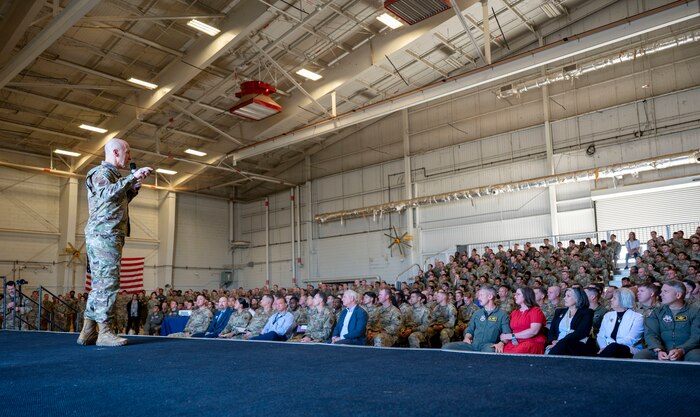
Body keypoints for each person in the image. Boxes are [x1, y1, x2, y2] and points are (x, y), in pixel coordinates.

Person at [77, 138, 153, 347]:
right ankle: (105, 333)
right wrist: (131, 177)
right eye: (127, 152)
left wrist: (132, 189)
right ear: (116, 152)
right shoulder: (101, 173)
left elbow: (115, 201)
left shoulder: (114, 176)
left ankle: (88, 331)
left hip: (108, 234)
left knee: (100, 284)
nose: (130, 157)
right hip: (104, 235)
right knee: (108, 283)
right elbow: (106, 196)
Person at [633, 280, 700, 362]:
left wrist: (682, 350)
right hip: (663, 349)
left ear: (678, 295)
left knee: (696, 357)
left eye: (665, 291)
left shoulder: (695, 311)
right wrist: (658, 350)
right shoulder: (657, 312)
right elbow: (651, 333)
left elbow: (696, 336)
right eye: (661, 291)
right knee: (640, 357)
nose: (661, 294)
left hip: (688, 350)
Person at [442, 286, 511, 353]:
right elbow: (470, 329)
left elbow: (506, 333)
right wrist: (467, 337)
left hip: (488, 346)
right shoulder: (477, 313)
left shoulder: (502, 315)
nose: (478, 298)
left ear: (490, 297)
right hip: (473, 345)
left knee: (490, 351)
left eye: (481, 295)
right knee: (446, 347)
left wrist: (501, 343)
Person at [596, 288, 644, 358]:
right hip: (607, 349)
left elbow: (631, 340)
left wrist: (609, 346)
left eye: (614, 298)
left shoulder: (637, 318)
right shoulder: (608, 315)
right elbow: (601, 336)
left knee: (614, 347)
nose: (611, 300)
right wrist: (604, 347)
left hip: (628, 348)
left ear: (623, 300)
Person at [546, 287, 594, 356]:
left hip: (575, 344)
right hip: (556, 344)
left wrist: (560, 342)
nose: (564, 298)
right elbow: (551, 332)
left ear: (577, 298)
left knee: (562, 345)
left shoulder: (587, 312)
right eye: (565, 296)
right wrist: (553, 341)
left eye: (568, 296)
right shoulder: (559, 312)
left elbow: (581, 332)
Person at [500, 287, 547, 354]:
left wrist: (512, 336)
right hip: (514, 342)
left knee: (517, 352)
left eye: (518, 294)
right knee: (500, 351)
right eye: (515, 294)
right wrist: (504, 336)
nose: (515, 296)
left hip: (531, 342)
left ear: (526, 296)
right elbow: (509, 330)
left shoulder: (535, 311)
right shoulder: (514, 312)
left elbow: (533, 331)